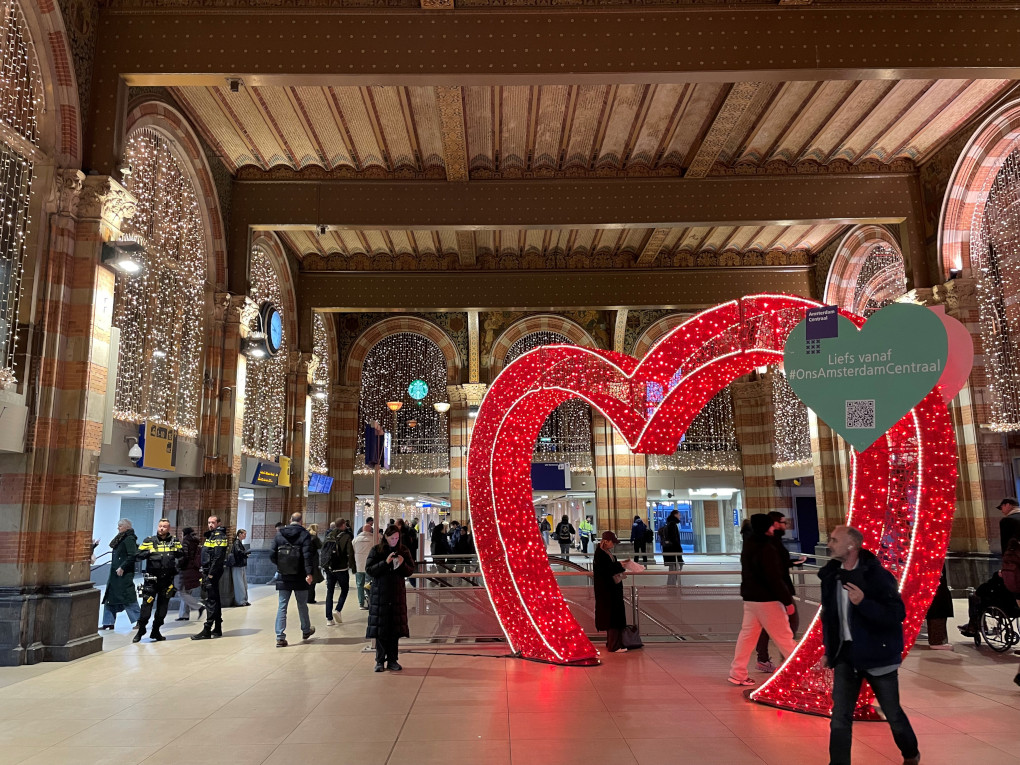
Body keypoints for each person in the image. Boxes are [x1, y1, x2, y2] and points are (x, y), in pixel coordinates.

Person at [821, 525, 920, 765]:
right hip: (846, 655)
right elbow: (830, 618)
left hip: (878, 655)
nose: (830, 544)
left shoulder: (877, 576)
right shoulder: (831, 576)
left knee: (893, 714)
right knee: (840, 718)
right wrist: (829, 650)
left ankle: (910, 753)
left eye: (835, 540)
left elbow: (896, 613)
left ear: (851, 545)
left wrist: (864, 603)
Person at [728, 513, 798, 686]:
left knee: (747, 637)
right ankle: (800, 673)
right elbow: (774, 577)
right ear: (767, 527)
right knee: (784, 637)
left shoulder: (749, 544)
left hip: (751, 599)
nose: (774, 528)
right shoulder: (767, 547)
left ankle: (737, 673)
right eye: (772, 525)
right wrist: (787, 601)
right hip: (768, 600)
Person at [960, 498, 1020, 638]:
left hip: (1012, 573)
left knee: (979, 593)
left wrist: (1004, 569)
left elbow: (1006, 547)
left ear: (1007, 505)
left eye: (1002, 508)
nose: (1002, 512)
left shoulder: (1008, 521)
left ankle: (974, 625)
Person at [754, 511, 805, 672]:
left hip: (769, 592)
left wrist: (793, 562)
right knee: (790, 624)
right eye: (783, 522)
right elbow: (773, 569)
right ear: (775, 523)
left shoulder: (768, 541)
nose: (785, 525)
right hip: (777, 592)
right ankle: (787, 661)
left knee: (763, 627)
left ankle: (766, 659)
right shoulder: (770, 542)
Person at [366, 523, 415, 671]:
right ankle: (380, 660)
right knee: (381, 629)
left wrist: (401, 564)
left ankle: (393, 660)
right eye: (392, 538)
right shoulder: (376, 550)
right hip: (380, 594)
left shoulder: (403, 550)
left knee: (394, 630)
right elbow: (369, 570)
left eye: (397, 538)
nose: (394, 541)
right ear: (386, 537)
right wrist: (385, 563)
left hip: (396, 594)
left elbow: (409, 571)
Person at [133, 518, 184, 642]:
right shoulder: (149, 541)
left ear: (169, 528)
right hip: (151, 580)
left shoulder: (174, 541)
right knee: (146, 608)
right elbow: (138, 556)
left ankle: (156, 631)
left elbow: (181, 554)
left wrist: (176, 551)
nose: (162, 528)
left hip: (167, 581)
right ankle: (141, 630)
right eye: (160, 526)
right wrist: (149, 552)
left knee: (162, 609)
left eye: (164, 526)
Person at [271, 512, 316, 647]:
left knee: (282, 606)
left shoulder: (279, 534)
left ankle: (280, 636)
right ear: (301, 521)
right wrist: (309, 573)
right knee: (302, 604)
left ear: (290, 520)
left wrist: (281, 565)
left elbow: (272, 554)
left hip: (284, 575)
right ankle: (306, 630)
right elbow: (307, 556)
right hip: (300, 575)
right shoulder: (304, 534)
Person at [100, 519, 141, 630]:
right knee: (110, 597)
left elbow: (132, 555)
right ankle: (108, 622)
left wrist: (123, 566)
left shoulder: (129, 539)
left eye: (120, 526)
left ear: (127, 527)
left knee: (127, 597)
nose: (118, 528)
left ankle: (140, 621)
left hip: (123, 574)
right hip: (115, 574)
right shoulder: (121, 538)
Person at [192, 515, 228, 640]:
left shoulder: (219, 536)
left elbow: (218, 557)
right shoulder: (211, 535)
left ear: (219, 523)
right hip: (209, 571)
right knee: (215, 599)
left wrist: (210, 574)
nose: (210, 524)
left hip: (212, 572)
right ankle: (217, 627)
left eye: (213, 522)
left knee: (211, 600)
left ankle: (207, 629)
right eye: (209, 522)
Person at [593, 531, 629, 652]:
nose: (614, 545)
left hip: (609, 589)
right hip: (608, 591)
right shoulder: (601, 554)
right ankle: (614, 645)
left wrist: (619, 564)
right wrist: (620, 565)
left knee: (612, 616)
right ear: (606, 541)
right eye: (612, 542)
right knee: (613, 617)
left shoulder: (604, 552)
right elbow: (607, 569)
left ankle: (612, 643)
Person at [322, 519, 356, 625]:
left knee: (330, 592)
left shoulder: (329, 535)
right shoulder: (346, 536)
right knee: (344, 589)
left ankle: (329, 619)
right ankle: (338, 609)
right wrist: (353, 567)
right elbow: (350, 553)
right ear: (343, 525)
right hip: (341, 568)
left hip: (329, 568)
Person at [174, 527, 204, 621]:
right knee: (187, 592)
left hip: (186, 570)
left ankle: (199, 606)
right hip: (193, 569)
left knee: (181, 591)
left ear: (184, 533)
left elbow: (184, 557)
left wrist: (178, 565)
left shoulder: (186, 542)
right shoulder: (195, 542)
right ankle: (184, 615)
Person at [925, 565, 954, 650]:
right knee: (938, 608)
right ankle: (937, 641)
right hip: (936, 587)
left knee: (937, 607)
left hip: (934, 585)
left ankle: (937, 640)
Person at [661, 508, 685, 586]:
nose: (680, 516)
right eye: (679, 514)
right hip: (673, 551)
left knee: (672, 568)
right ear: (675, 515)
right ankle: (672, 584)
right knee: (675, 567)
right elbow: (675, 540)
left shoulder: (669, 524)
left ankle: (671, 583)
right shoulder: (673, 525)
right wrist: (679, 552)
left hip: (669, 550)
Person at [353, 522, 375, 610]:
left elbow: (352, 551)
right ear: (370, 530)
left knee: (359, 585)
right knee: (369, 585)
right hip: (370, 566)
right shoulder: (374, 539)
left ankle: (361, 603)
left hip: (358, 565)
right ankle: (371, 602)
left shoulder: (355, 539)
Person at [228, 529, 250, 606]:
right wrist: (246, 553)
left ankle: (244, 600)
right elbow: (238, 552)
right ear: (240, 534)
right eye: (244, 534)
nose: (245, 536)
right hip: (237, 565)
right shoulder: (237, 542)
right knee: (239, 584)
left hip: (241, 565)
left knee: (243, 583)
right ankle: (240, 601)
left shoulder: (239, 542)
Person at [307, 523, 324, 603]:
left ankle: (306, 598)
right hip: (313, 560)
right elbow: (320, 546)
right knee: (312, 580)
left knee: (307, 579)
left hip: (306, 559)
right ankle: (310, 598)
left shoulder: (305, 536)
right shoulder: (314, 538)